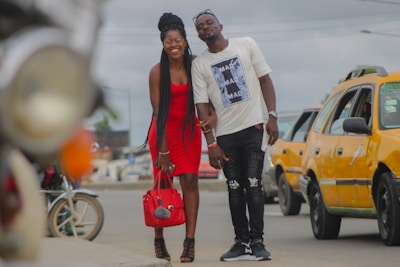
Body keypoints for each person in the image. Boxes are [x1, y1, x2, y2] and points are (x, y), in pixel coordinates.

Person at [191, 9, 279, 261]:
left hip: (253, 128)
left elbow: (265, 80)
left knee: (253, 185)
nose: (205, 27)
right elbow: (201, 105)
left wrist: (271, 115)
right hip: (226, 135)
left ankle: (258, 243)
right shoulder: (200, 64)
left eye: (209, 22)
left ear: (220, 24)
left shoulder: (246, 45)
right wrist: (211, 143)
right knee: (233, 188)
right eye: (200, 26)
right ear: (198, 34)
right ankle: (241, 242)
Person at [147, 12, 214, 263]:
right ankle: (159, 239)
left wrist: (213, 119)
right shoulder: (156, 72)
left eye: (177, 40)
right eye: (168, 42)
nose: (173, 45)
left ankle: (190, 242)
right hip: (163, 135)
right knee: (163, 186)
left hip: (189, 133)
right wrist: (162, 152)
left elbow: (208, 100)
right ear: (163, 45)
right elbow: (158, 114)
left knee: (190, 182)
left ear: (185, 41)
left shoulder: (196, 64)